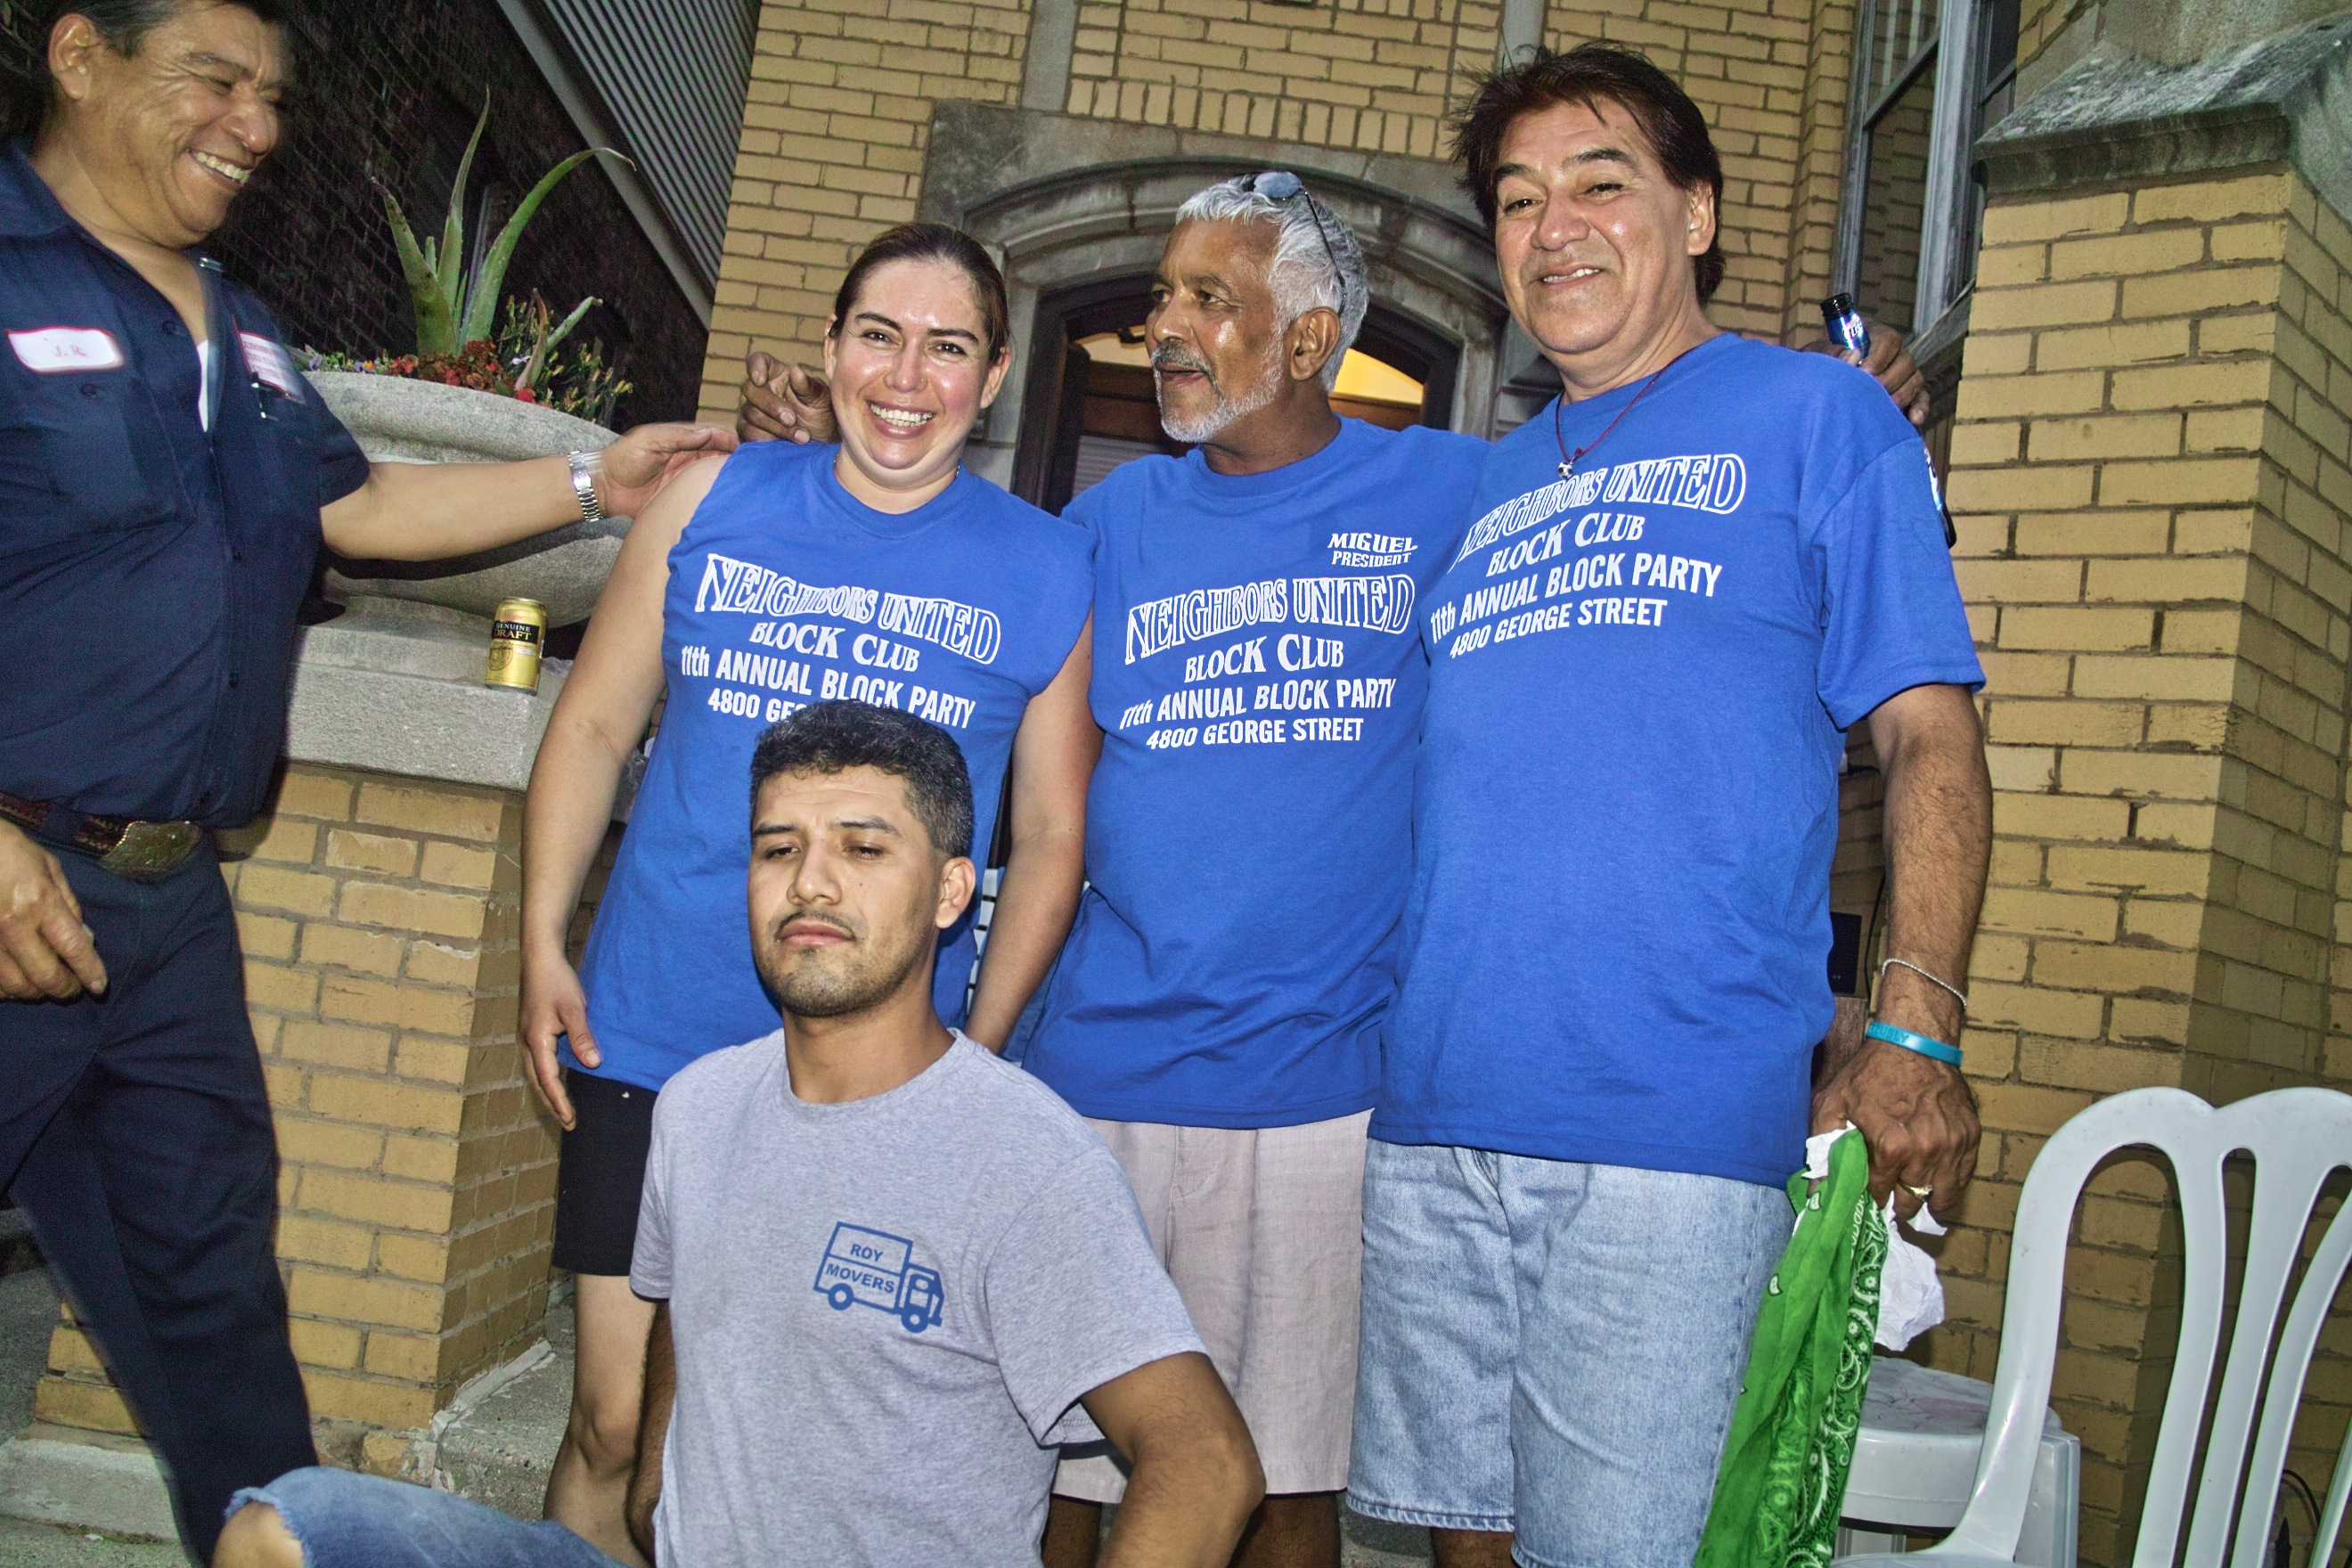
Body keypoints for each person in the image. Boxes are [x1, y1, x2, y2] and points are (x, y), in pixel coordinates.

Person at [735, 174, 1926, 1568]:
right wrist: (825, 450)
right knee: (1058, 1476)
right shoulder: (1111, 522)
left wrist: (1846, 396)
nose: (1166, 327)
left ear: (1307, 341)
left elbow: (1642, 458)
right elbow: (957, 559)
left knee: (1288, 1487)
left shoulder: (1458, 488)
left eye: (1208, 299)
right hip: (1099, 1074)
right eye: (1162, 297)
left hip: (1323, 1093)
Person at [0, 3, 732, 1559]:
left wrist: (596, 478)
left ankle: (282, 1540)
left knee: (218, 1316)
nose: (256, 128)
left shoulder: (245, 329)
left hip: (165, 915)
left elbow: (364, 505)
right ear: (79, 54)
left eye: (271, 95)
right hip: (15, 875)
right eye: (215, 82)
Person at [1350, 44, 1991, 1568]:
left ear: (1695, 215)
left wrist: (1914, 1028)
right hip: (1435, 1115)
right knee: (1463, 1543)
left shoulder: (1820, 420)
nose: (1553, 227)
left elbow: (1927, 735)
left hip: (1672, 1135)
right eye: (1518, 200)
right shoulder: (1480, 487)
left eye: (1600, 183)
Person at [213, 701, 1265, 1568]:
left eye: (863, 847)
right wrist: (658, 1495)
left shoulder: (1024, 1156)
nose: (812, 882)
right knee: (282, 1528)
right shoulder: (700, 1104)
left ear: (951, 890)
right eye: (779, 847)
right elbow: (692, 1308)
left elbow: (1208, 1460)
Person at [519, 223, 1096, 1560]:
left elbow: (1053, 833)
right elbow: (594, 725)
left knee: (777, 1439)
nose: (908, 377)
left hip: (870, 1079)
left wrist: (976, 1050)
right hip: (653, 1027)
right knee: (615, 1421)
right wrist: (543, 936)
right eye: (879, 336)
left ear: (994, 375)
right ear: (832, 349)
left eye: (948, 347)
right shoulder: (709, 501)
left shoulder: (1046, 565)